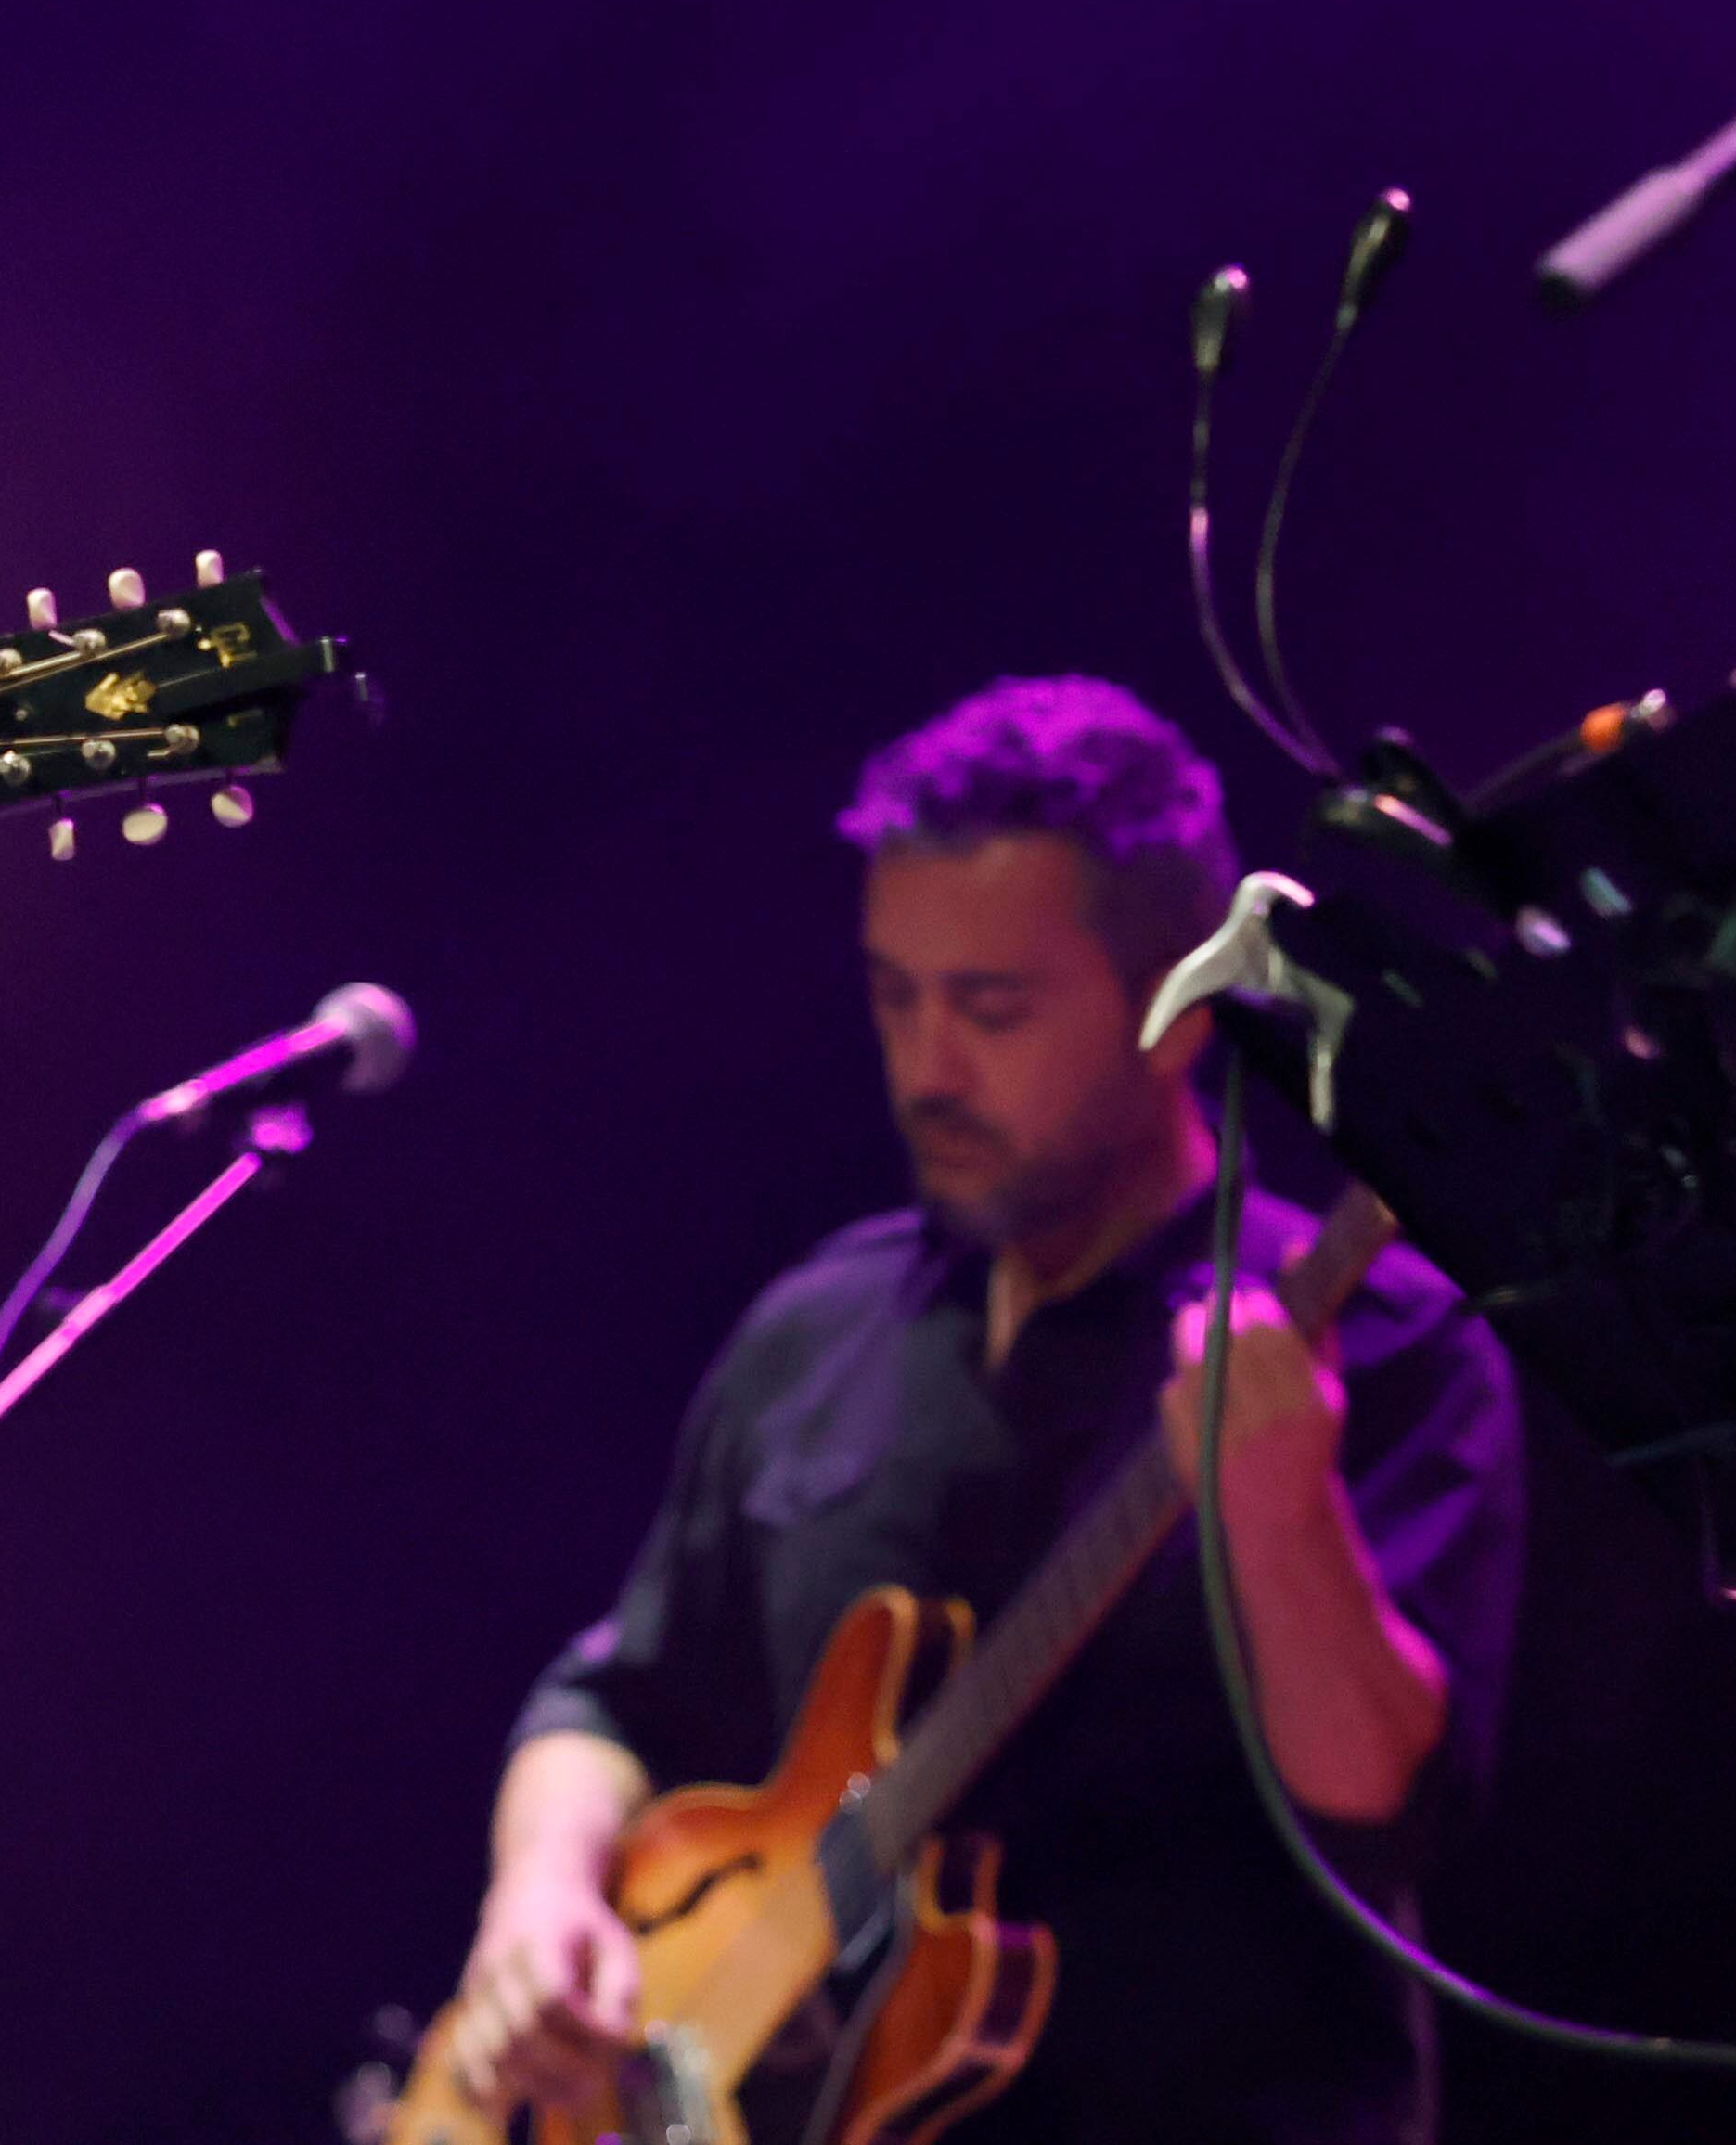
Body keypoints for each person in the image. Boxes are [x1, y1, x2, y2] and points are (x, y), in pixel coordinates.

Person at [444, 676, 1524, 2143]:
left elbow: (1378, 1815)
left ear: (1173, 1018)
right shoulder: (814, 1330)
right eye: (896, 997)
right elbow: (608, 1698)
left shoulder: (1382, 1330)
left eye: (991, 1010)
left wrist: (1281, 1517)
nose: (925, 1069)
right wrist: (539, 1892)